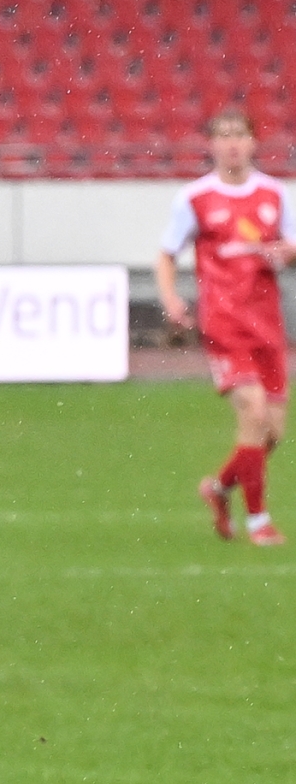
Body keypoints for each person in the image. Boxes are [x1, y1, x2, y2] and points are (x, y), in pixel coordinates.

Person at [159, 109, 294, 548]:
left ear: (254, 142)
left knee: (271, 433)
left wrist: (286, 253)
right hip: (224, 324)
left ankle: (219, 488)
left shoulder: (275, 193)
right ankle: (259, 522)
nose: (233, 143)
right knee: (253, 412)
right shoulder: (195, 197)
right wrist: (172, 298)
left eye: (240, 135)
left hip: (267, 326)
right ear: (212, 144)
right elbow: (166, 253)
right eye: (224, 135)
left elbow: (292, 247)